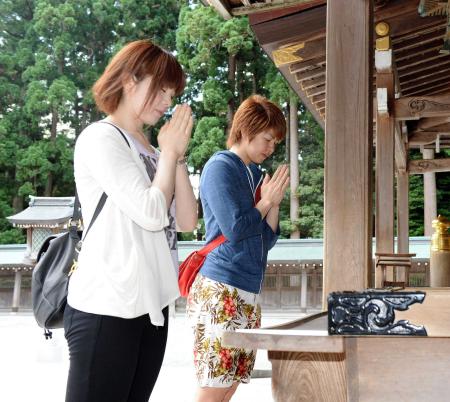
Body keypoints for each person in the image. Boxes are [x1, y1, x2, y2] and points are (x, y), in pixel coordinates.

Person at [64, 39, 197, 402]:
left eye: (172, 93)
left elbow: (185, 220)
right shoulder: (100, 138)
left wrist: (176, 156)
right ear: (129, 81)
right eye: (161, 90)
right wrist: (169, 153)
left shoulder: (155, 151)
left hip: (152, 304)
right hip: (107, 304)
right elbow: (152, 214)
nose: (167, 102)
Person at [187, 95, 289, 402]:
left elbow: (265, 240)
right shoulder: (220, 167)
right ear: (245, 130)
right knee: (214, 383)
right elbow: (235, 229)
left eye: (275, 142)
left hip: (246, 289)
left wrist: (274, 203)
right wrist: (266, 201)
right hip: (221, 286)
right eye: (266, 139)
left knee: (230, 382)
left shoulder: (255, 174)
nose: (270, 148)